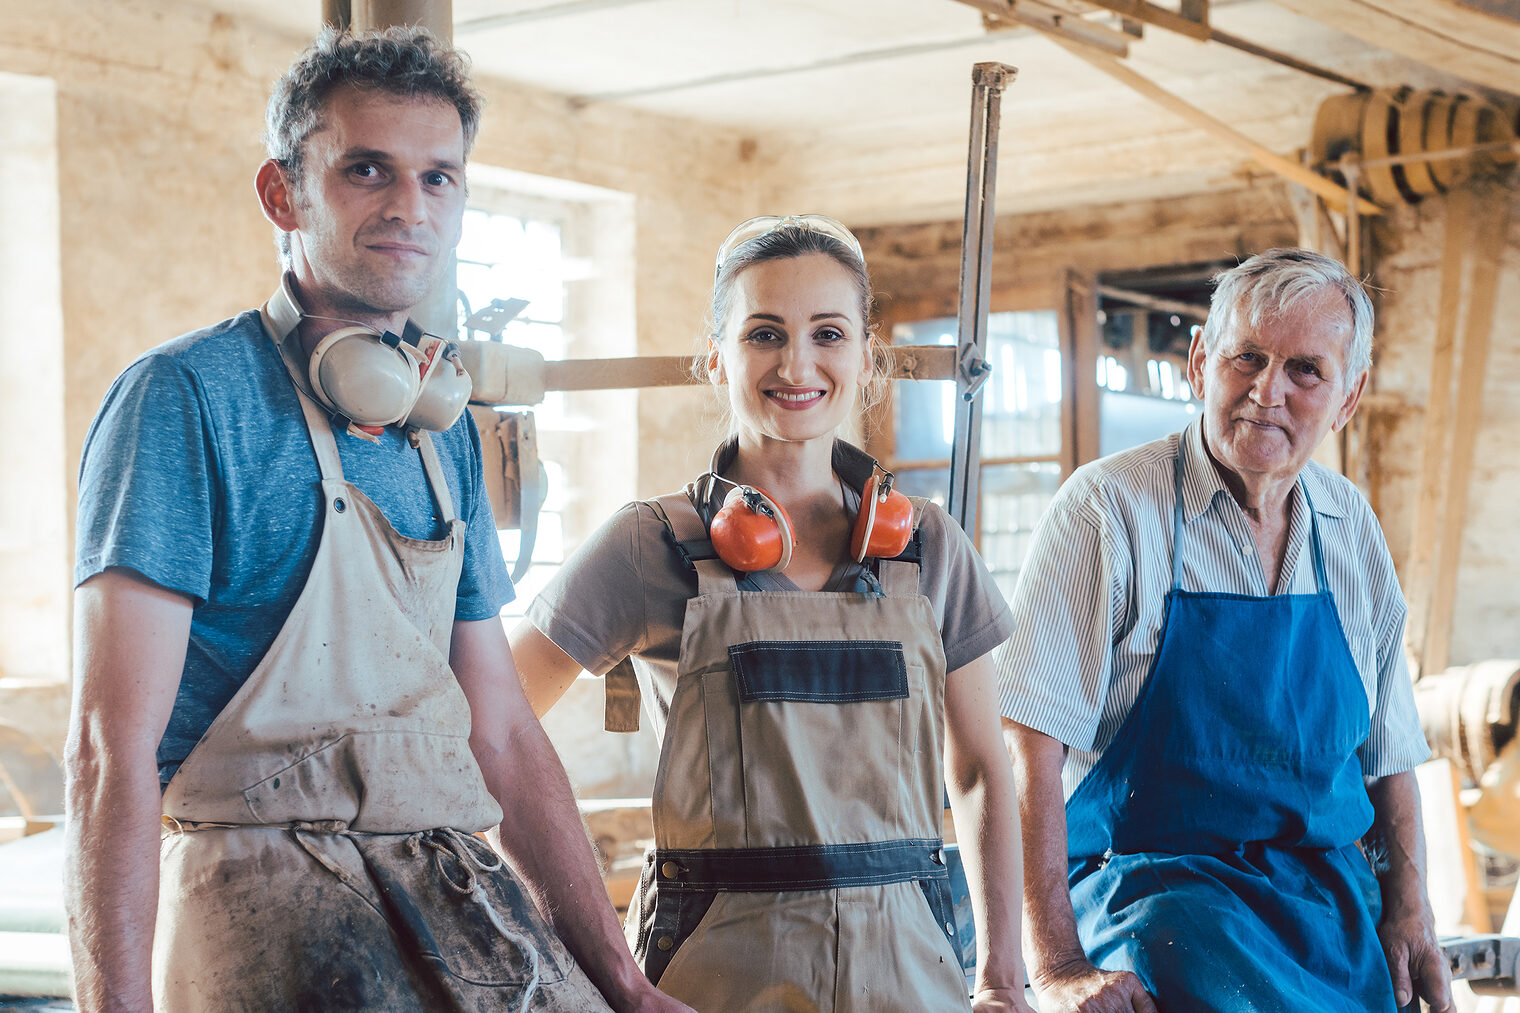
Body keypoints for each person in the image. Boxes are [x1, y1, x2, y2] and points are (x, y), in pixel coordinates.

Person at [65, 26, 692, 1013]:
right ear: (284, 193)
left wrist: (622, 980)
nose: (409, 206)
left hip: (447, 887)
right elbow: (109, 747)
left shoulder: (436, 431)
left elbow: (504, 733)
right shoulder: (186, 398)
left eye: (439, 178)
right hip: (263, 899)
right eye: (367, 170)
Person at [507, 214, 1036, 1013]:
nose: (798, 363)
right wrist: (604, 962)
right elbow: (491, 727)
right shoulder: (651, 543)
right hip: (711, 983)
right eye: (764, 334)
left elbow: (979, 769)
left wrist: (1003, 978)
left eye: (828, 333)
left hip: (914, 976)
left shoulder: (928, 547)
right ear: (716, 355)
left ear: (867, 354)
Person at [996, 248, 1453, 1013]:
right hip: (1156, 894)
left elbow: (1389, 754)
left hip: (1328, 910)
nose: (1267, 391)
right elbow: (1027, 753)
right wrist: (1056, 964)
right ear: (1201, 362)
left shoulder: (1352, 530)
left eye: (1306, 369)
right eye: (1247, 357)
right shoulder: (1107, 511)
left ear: (1348, 396)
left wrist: (1410, 911)